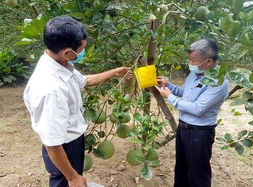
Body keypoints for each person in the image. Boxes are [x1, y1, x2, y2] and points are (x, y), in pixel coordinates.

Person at [23, 15, 132, 187]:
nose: (82, 53)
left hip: (72, 141)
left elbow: (85, 81)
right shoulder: (50, 90)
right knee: (65, 182)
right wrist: (72, 177)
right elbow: (52, 144)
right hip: (62, 148)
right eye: (81, 50)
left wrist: (114, 72)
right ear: (67, 52)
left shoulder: (60, 65)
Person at [156, 38, 229, 187]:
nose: (190, 64)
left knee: (198, 174)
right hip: (183, 129)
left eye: (193, 61)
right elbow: (185, 93)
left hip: (199, 134)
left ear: (208, 62)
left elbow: (197, 109)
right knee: (181, 170)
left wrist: (170, 97)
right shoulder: (195, 74)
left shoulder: (218, 82)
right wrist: (168, 85)